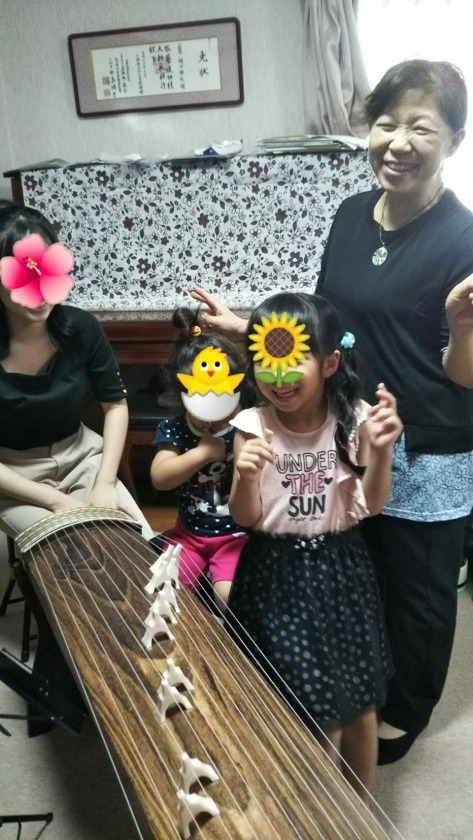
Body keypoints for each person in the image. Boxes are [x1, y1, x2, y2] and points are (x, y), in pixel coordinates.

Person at [191, 59, 473, 765]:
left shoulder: (463, 239)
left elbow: (465, 375)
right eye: (386, 123)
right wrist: (248, 330)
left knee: (418, 590)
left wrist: (460, 328)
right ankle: (361, 686)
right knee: (359, 570)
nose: (398, 142)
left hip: (425, 441)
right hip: (344, 428)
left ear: (454, 140)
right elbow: (329, 326)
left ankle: (405, 711)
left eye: (421, 127)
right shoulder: (351, 214)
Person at [224, 291, 402, 799]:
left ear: (329, 363)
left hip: (341, 568)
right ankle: (313, 812)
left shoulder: (355, 419)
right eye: (265, 359)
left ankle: (357, 810)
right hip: (274, 572)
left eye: (293, 359)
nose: (278, 375)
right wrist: (245, 477)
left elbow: (372, 505)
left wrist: (382, 454)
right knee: (308, 706)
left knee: (360, 701)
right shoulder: (252, 425)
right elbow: (246, 517)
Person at [0, 200, 153, 541]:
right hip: (12, 476)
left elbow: (115, 405)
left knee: (137, 542)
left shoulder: (82, 327)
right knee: (68, 551)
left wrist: (105, 483)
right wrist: (58, 502)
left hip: (82, 458)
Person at [150, 307, 250, 613]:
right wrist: (201, 453)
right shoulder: (175, 429)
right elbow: (160, 477)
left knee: (229, 596)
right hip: (188, 536)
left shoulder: (245, 425)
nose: (214, 415)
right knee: (165, 594)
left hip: (237, 537)